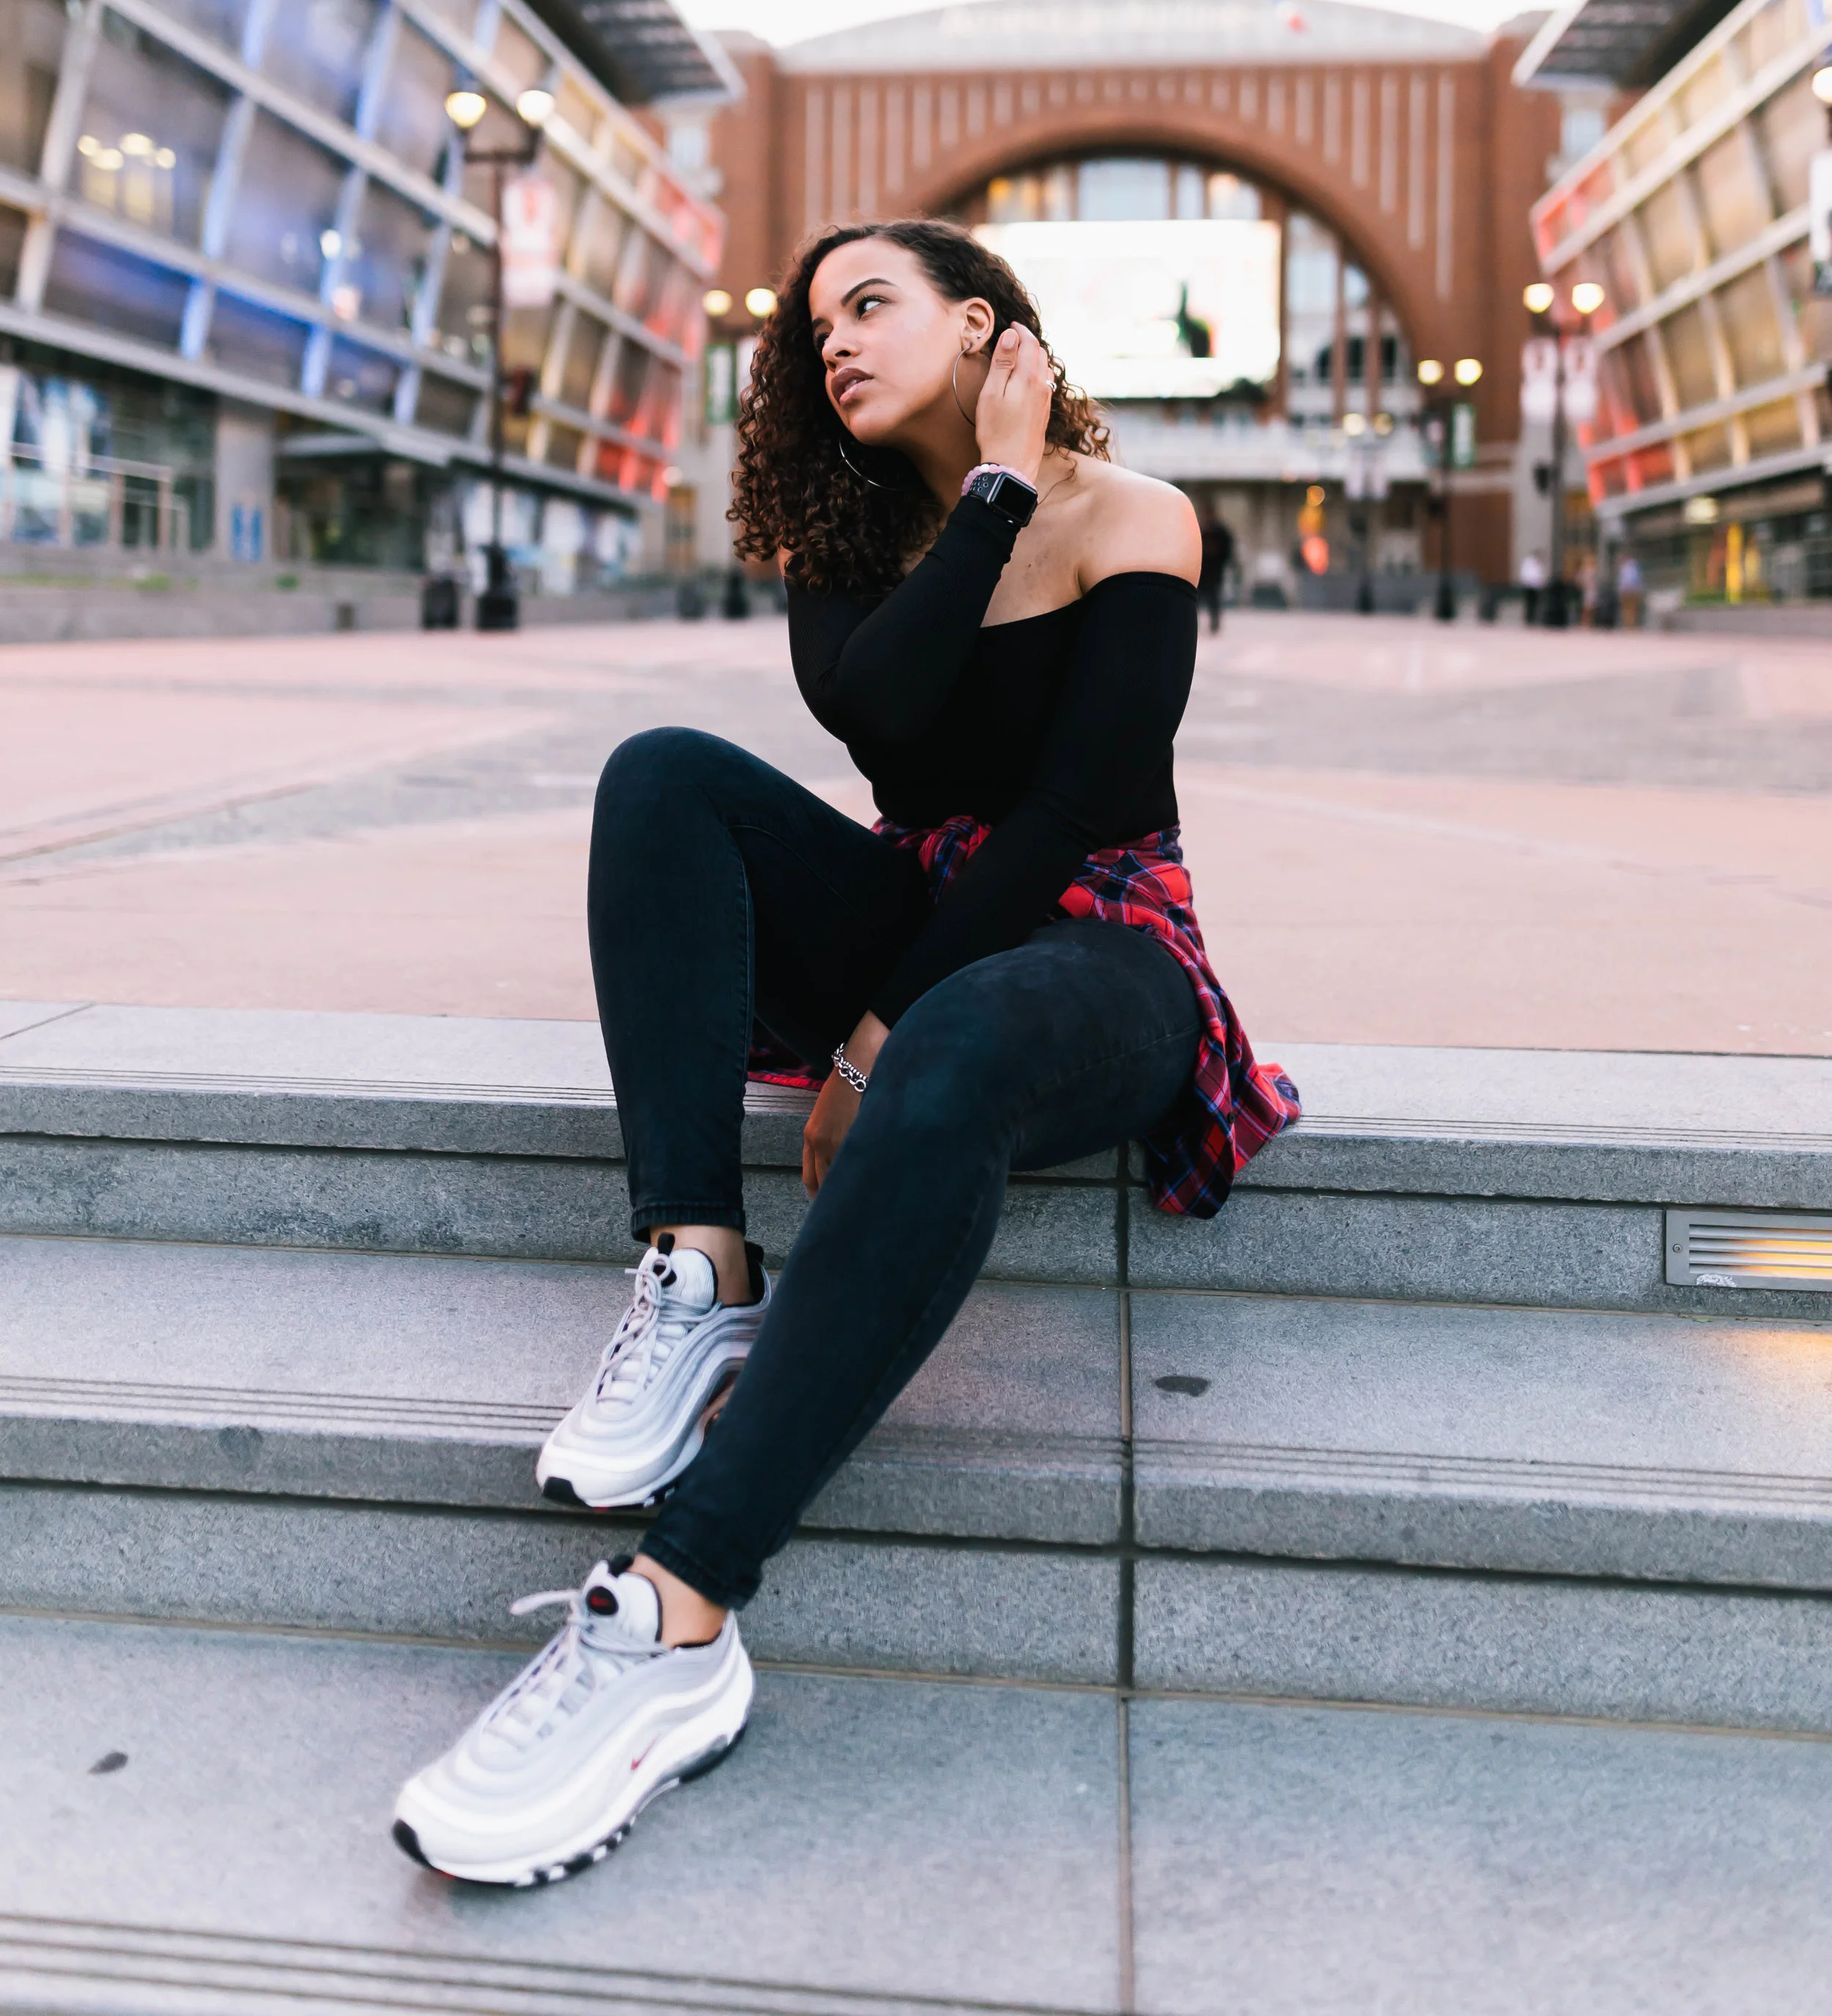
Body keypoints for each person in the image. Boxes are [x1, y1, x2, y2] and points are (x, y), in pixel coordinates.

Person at [392, 217, 1299, 1887]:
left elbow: (1076, 806)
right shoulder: (852, 534)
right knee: (662, 773)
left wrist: (876, 1033)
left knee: (958, 1025)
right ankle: (696, 1265)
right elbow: (880, 719)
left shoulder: (1145, 516)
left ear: (981, 324)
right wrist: (991, 497)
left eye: (871, 304)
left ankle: (676, 1613)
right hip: (921, 915)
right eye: (818, 326)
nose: (836, 342)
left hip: (1104, 944)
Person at [1196, 505, 1236, 635]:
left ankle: (1215, 624)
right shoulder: (1201, 529)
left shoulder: (1220, 531)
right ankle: (1195, 623)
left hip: (1214, 570)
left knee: (1214, 598)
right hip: (1202, 570)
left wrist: (1224, 563)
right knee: (1198, 598)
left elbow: (1227, 549)